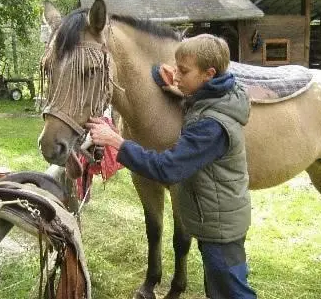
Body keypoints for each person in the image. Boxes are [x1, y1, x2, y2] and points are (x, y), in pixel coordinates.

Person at [86, 34, 256, 299]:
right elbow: (199, 96)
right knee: (219, 289)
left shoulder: (210, 125)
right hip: (216, 221)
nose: (176, 76)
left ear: (209, 74)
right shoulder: (218, 95)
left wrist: (117, 143)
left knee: (233, 292)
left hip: (220, 229)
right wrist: (186, 89)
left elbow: (167, 169)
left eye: (184, 71)